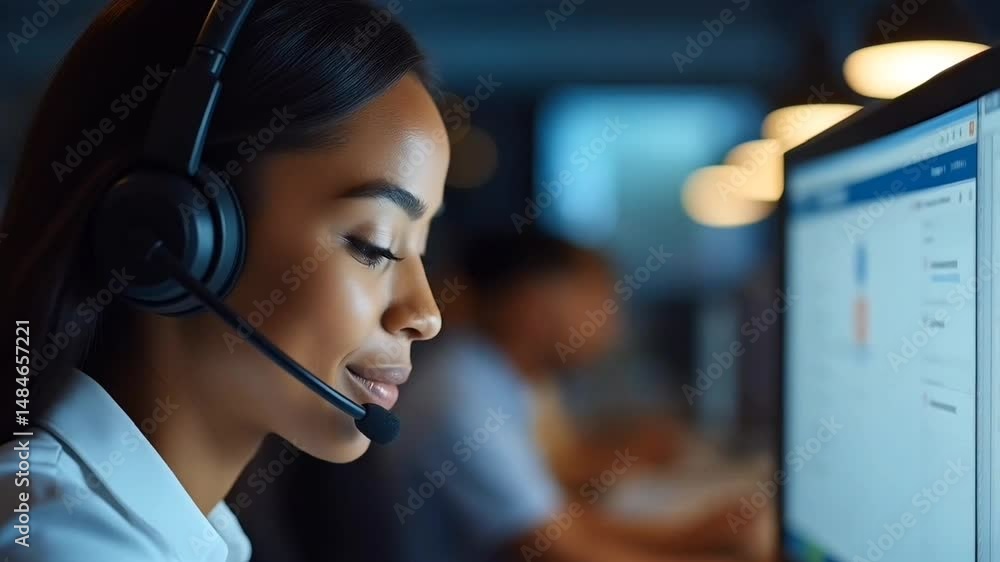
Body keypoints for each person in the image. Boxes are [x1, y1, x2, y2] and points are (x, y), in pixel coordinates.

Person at [0, 1, 447, 560]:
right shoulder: (63, 541)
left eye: (420, 250)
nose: (427, 314)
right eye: (375, 244)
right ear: (169, 234)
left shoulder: (193, 532)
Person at [375, 229, 760, 562]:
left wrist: (694, 537)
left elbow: (554, 517)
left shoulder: (491, 377)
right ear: (531, 303)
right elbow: (558, 550)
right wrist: (703, 545)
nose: (613, 319)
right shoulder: (462, 394)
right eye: (597, 298)